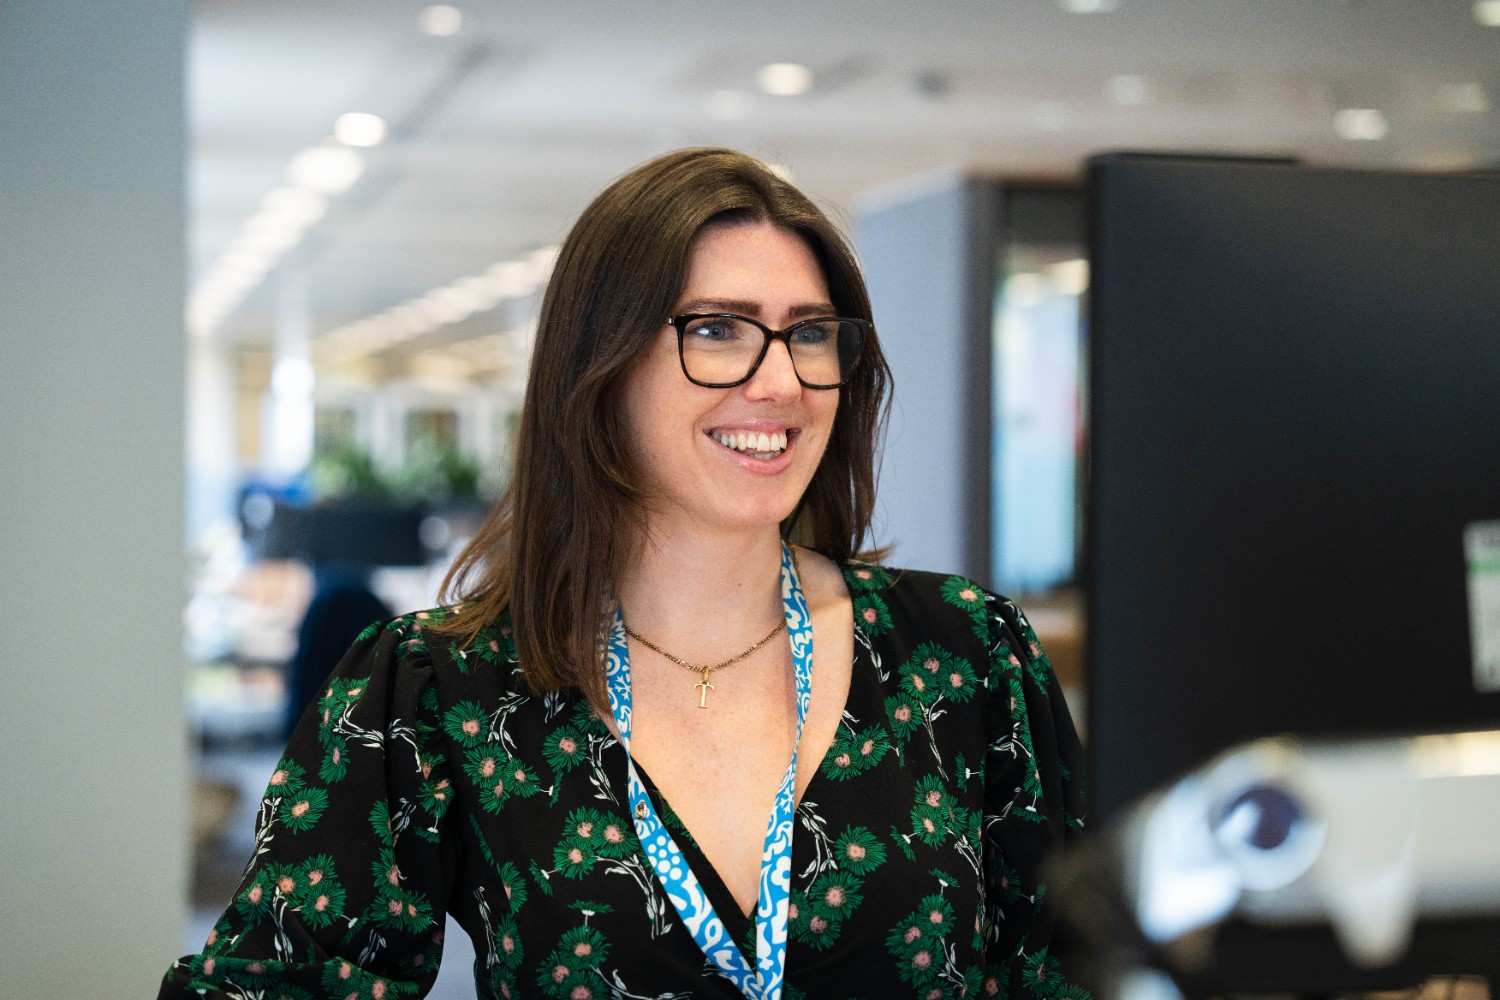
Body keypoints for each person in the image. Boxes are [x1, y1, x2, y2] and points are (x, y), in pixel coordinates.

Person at [160, 148, 1087, 1000]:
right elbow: (268, 984)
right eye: (718, 329)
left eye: (809, 334)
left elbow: (1071, 971)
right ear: (599, 365)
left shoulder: (963, 654)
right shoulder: (444, 690)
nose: (779, 383)